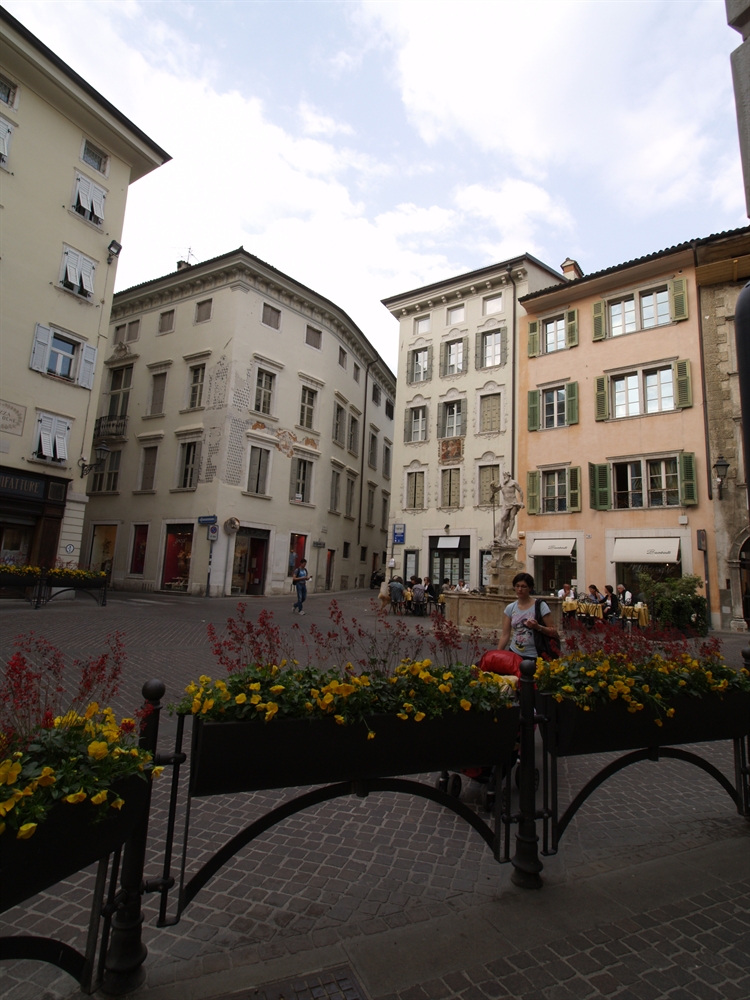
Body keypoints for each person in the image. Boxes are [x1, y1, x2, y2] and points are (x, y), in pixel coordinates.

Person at [498, 572, 558, 660]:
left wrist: (538, 627)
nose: (520, 589)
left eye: (523, 586)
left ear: (530, 588)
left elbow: (554, 631)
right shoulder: (510, 608)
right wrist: (497, 654)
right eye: (517, 586)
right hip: (515, 653)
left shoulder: (540, 606)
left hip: (535, 655)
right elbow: (505, 635)